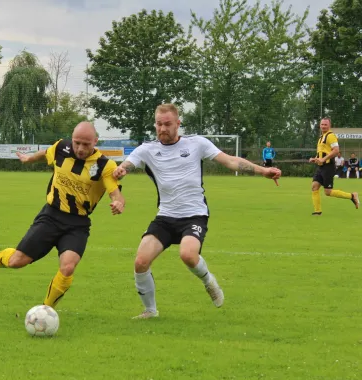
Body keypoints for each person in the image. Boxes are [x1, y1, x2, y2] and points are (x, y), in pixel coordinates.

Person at [113, 104, 282, 319]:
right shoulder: (147, 149)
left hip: (194, 214)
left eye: (167, 124)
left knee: (188, 254)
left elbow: (230, 161)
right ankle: (150, 311)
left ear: (178, 124)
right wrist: (121, 170)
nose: (162, 129)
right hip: (165, 217)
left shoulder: (197, 144)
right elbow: (128, 164)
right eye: (158, 124)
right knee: (140, 262)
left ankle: (208, 281)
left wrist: (262, 170)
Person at [0, 121, 125, 309]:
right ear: (71, 139)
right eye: (76, 142)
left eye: (86, 144)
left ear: (96, 141)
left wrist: (119, 202)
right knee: (16, 261)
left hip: (77, 224)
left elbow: (115, 193)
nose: (80, 148)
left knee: (68, 266)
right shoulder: (61, 147)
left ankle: (46, 309)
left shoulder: (106, 165)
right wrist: (29, 159)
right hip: (50, 217)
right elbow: (46, 154)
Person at [309, 118, 359, 215]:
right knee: (314, 187)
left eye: (325, 124)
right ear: (319, 125)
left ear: (329, 125)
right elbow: (322, 152)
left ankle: (352, 196)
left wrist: (323, 159)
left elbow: (336, 150)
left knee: (327, 192)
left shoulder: (331, 136)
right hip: (321, 167)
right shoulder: (321, 137)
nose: (323, 126)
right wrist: (315, 158)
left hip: (328, 166)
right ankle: (317, 211)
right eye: (322, 124)